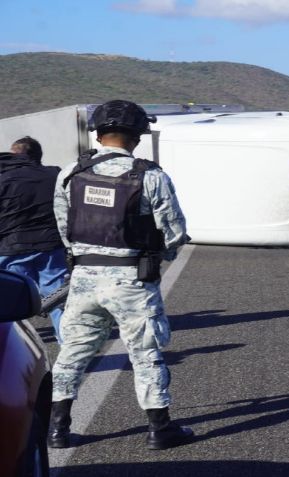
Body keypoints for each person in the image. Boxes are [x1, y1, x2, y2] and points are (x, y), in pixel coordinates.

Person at [48, 100, 193, 450]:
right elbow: (174, 232)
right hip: (132, 280)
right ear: (138, 138)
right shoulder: (151, 176)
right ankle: (159, 429)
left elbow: (64, 228)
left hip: (83, 279)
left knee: (73, 353)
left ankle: (57, 429)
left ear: (97, 134)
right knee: (146, 353)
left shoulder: (71, 172)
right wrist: (158, 256)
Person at [0, 136, 68, 342]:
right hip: (51, 247)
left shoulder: (2, 178)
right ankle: (70, 350)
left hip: (10, 249)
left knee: (9, 304)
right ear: (37, 157)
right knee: (59, 300)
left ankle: (15, 350)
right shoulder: (54, 175)